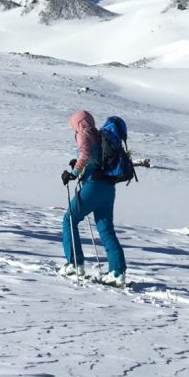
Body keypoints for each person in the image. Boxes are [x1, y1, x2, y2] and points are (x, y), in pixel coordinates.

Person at [57, 110, 127, 286]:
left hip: (94, 185)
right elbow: (92, 157)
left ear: (78, 123)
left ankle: (74, 264)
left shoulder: (83, 134)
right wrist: (79, 165)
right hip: (108, 187)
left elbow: (85, 155)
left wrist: (73, 173)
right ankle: (117, 273)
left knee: (70, 218)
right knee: (105, 229)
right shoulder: (97, 134)